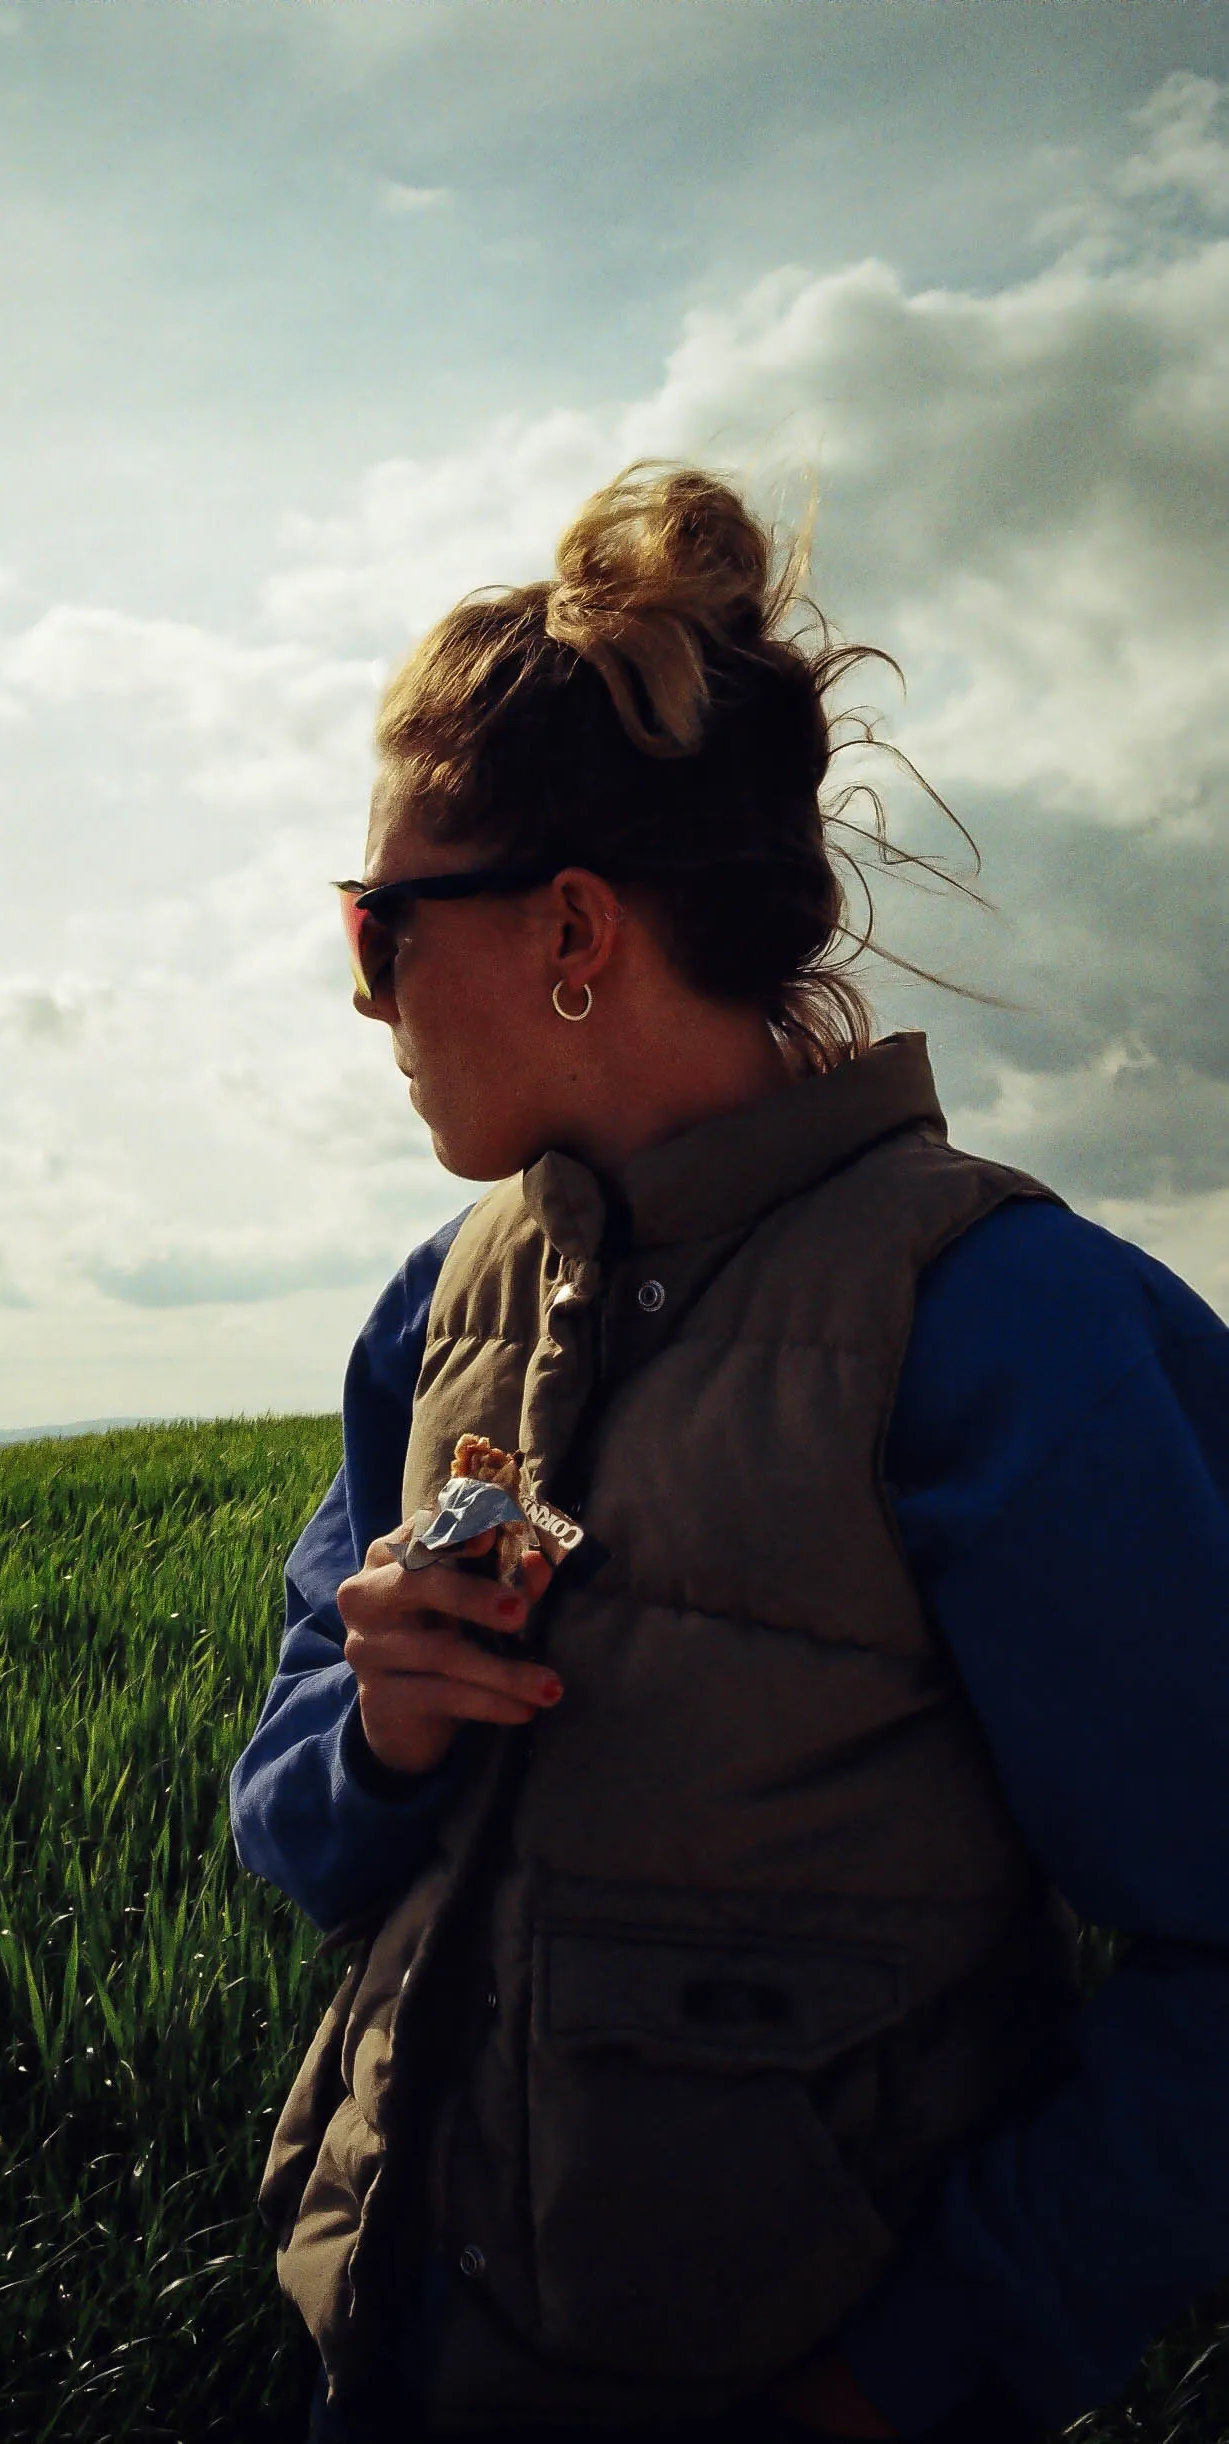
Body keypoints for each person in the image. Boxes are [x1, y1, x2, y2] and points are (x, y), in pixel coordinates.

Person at [228, 465, 1229, 2444]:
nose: (367, 998)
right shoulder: (434, 1312)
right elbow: (288, 1813)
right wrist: (382, 1739)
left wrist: (907, 2379)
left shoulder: (1007, 1328)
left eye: (378, 927)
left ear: (572, 929)